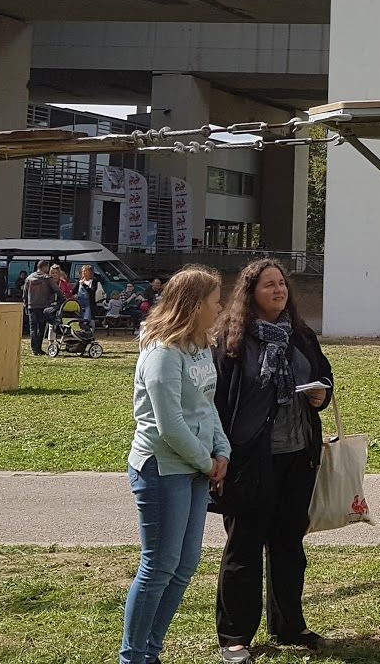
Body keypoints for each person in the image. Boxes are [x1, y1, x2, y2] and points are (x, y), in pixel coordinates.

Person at [212, 259, 335, 661]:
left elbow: (323, 377)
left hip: (298, 455)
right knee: (243, 548)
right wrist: (220, 453)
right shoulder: (231, 340)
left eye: (282, 284)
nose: (279, 291)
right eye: (269, 285)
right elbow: (218, 401)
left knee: (288, 545)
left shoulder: (301, 335)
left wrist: (321, 395)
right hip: (251, 459)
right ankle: (235, 638)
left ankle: (290, 625)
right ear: (250, 292)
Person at [121, 267, 229, 664]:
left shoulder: (199, 345)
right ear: (196, 304)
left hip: (198, 468)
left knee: (184, 566)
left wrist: (223, 450)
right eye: (215, 300)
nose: (220, 307)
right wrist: (207, 462)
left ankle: (151, 651)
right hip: (163, 468)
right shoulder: (162, 353)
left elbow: (206, 403)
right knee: (159, 566)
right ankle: (133, 657)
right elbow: (168, 425)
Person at [23, 266, 59, 356]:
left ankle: (34, 349)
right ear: (45, 268)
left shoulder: (29, 278)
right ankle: (38, 348)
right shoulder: (47, 278)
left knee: (33, 328)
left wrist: (26, 304)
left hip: (32, 306)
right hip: (43, 306)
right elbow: (56, 289)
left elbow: (25, 293)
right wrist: (62, 299)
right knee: (41, 328)